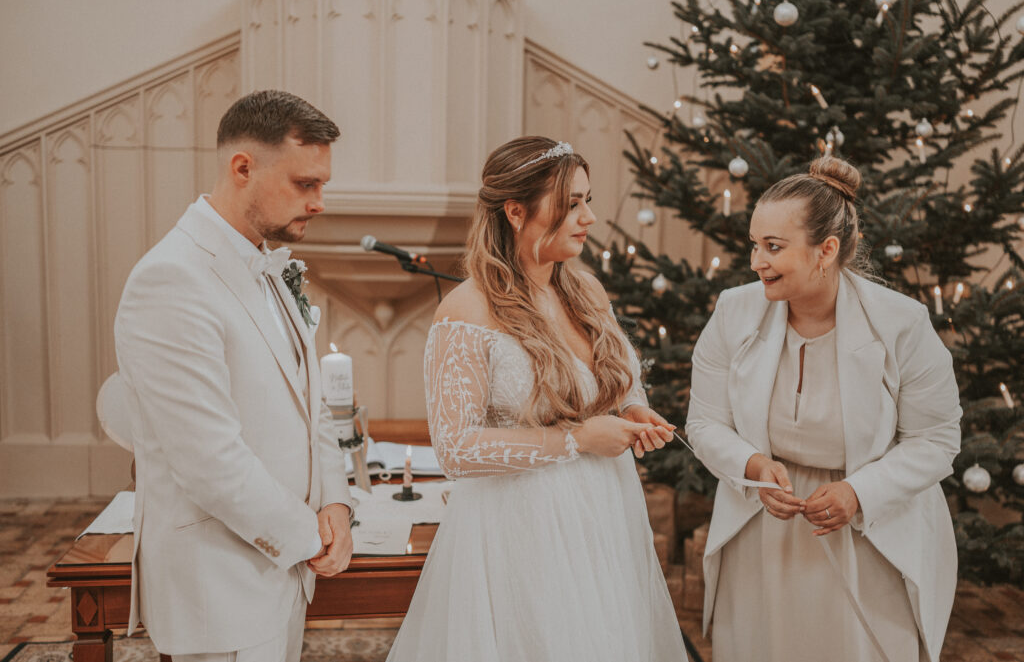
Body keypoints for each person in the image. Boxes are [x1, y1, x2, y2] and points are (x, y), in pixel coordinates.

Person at [385, 137, 688, 661]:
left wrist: (631, 406)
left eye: (587, 200)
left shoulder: (586, 290)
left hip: (604, 510)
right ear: (516, 210)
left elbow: (616, 375)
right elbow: (456, 448)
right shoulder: (466, 311)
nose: (588, 217)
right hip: (520, 523)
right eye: (571, 204)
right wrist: (576, 439)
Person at [686, 156, 961, 662]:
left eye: (773, 247)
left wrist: (860, 492)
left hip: (869, 533)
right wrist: (752, 467)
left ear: (826, 250)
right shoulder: (733, 311)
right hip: (762, 526)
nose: (756, 262)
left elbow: (937, 440)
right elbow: (704, 422)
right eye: (754, 244)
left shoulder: (902, 324)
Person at [114, 90, 355, 661]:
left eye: (323, 184)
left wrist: (338, 505)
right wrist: (307, 536)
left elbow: (311, 403)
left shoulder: (269, 264)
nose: (319, 202)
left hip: (281, 573)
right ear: (242, 168)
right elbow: (208, 460)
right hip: (219, 585)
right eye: (305, 184)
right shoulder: (171, 279)